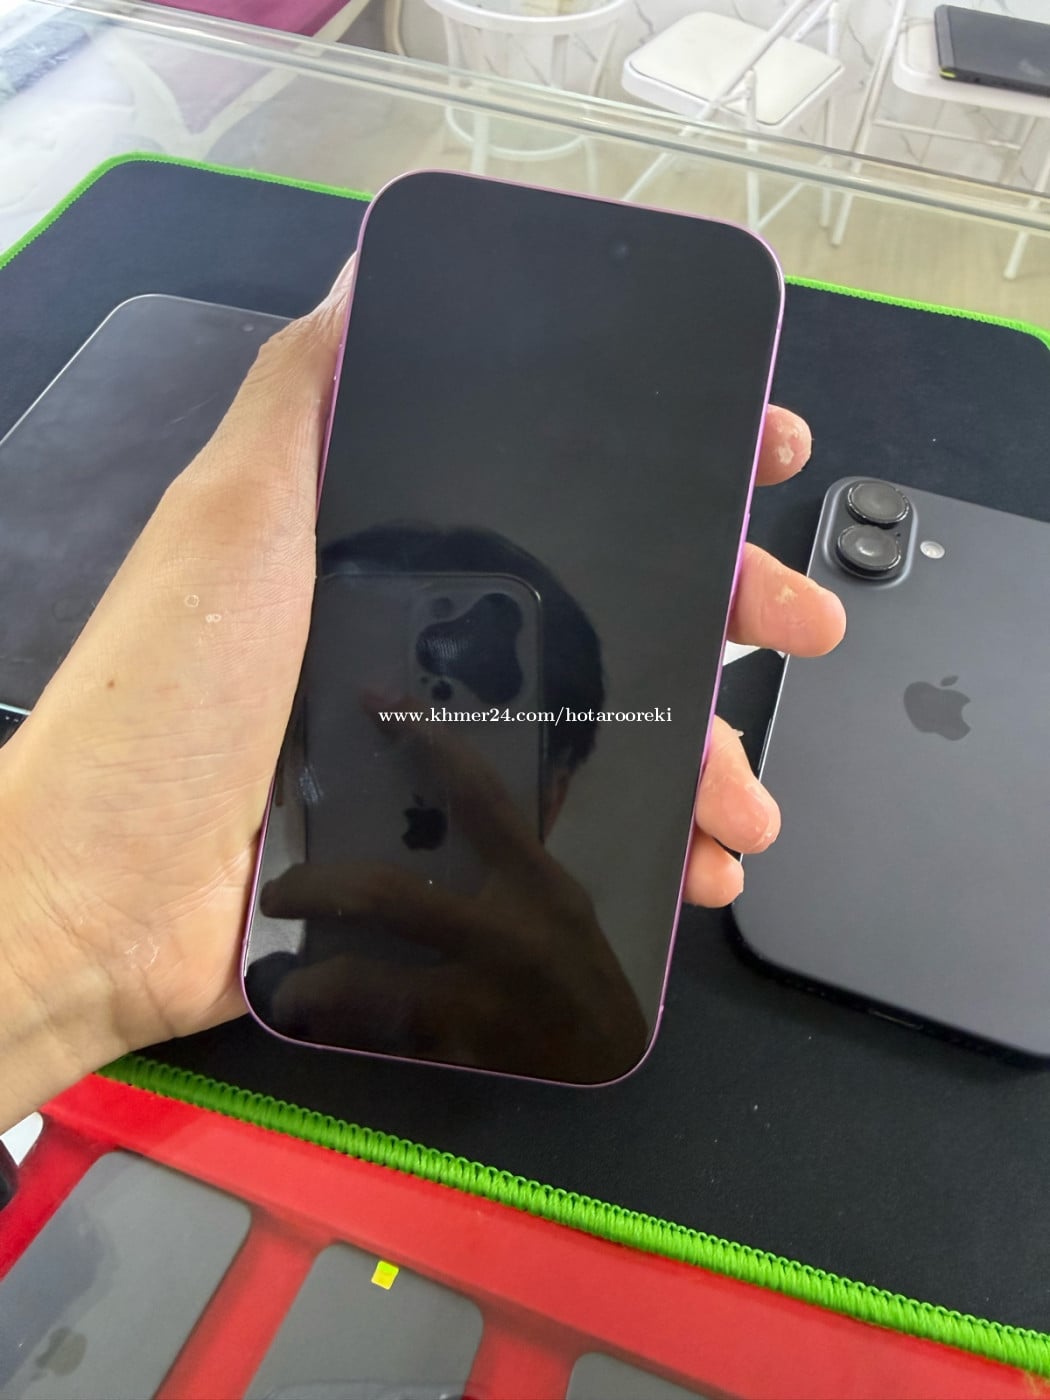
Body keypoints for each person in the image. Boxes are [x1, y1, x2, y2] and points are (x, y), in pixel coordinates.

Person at [0, 257, 846, 1134]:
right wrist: (64, 932)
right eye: (361, 728)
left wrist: (58, 945)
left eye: (475, 730)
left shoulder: (576, 1021)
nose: (413, 761)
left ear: (555, 789)